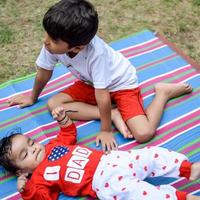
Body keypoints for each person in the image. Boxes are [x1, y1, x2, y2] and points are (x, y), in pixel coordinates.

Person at [7, 0, 193, 152]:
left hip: (122, 86)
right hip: (91, 83)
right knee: (54, 105)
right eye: (47, 33)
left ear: (78, 47)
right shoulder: (51, 44)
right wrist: (32, 97)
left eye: (53, 39)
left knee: (143, 133)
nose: (45, 40)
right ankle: (114, 113)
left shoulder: (97, 54)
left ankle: (163, 93)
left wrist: (105, 130)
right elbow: (43, 73)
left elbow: (102, 95)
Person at [0, 106, 200, 200]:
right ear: (21, 172)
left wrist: (63, 120)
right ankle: (181, 198)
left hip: (114, 159)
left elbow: (68, 133)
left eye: (31, 142)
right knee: (139, 195)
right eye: (25, 154)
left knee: (151, 155)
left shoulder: (53, 145)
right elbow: (42, 198)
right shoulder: (39, 179)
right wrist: (26, 190)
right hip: (105, 183)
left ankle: (187, 169)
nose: (34, 148)